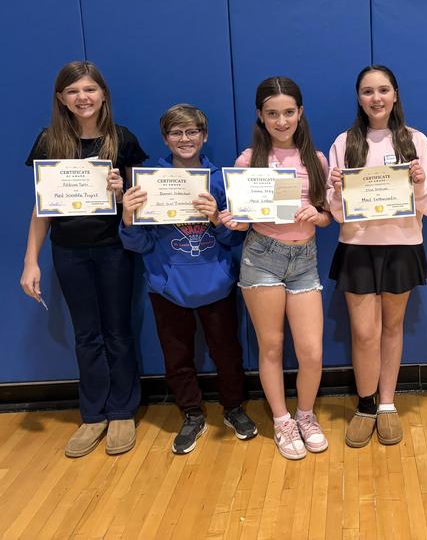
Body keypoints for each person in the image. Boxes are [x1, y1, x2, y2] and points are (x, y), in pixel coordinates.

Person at [20, 61, 147, 457]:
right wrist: (31, 261)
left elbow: (142, 204)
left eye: (90, 89)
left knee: (118, 331)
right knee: (86, 333)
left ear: (103, 94)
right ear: (61, 98)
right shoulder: (49, 143)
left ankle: (123, 410)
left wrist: (122, 188)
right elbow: (41, 209)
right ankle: (93, 414)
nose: (83, 97)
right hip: (69, 251)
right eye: (73, 91)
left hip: (114, 249)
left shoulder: (121, 140)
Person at [326, 65, 427, 447]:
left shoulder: (416, 141)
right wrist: (336, 190)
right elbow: (336, 212)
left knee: (392, 329)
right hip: (358, 248)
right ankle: (364, 405)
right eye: (367, 91)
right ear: (359, 98)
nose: (376, 98)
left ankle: (386, 404)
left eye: (383, 90)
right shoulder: (345, 141)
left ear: (395, 94)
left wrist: (420, 184)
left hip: (401, 246)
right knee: (364, 333)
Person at [120, 104, 256, 454]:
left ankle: (233, 407)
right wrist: (129, 218)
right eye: (176, 132)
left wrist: (217, 220)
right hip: (167, 287)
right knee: (177, 356)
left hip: (217, 284)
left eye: (192, 131)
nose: (185, 139)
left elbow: (236, 239)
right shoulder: (149, 181)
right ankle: (192, 413)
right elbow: (140, 244)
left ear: (204, 136)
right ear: (165, 138)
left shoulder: (220, 180)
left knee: (227, 352)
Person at [220, 77, 330, 460]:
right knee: (271, 346)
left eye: (288, 112)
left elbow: (328, 215)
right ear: (260, 117)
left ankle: (305, 415)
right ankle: (282, 420)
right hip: (262, 258)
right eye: (272, 114)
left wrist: (317, 215)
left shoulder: (316, 160)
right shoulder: (249, 161)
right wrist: (233, 220)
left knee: (312, 351)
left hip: (305, 260)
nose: (281, 121)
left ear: (300, 113)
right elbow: (242, 218)